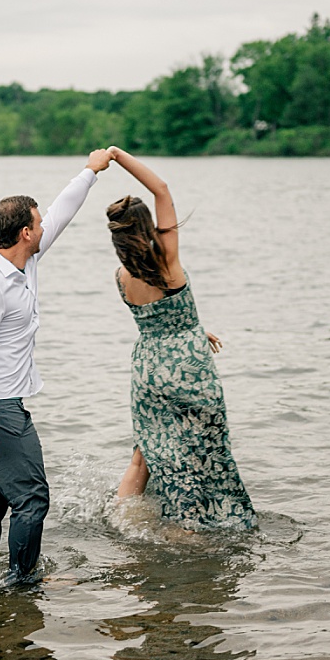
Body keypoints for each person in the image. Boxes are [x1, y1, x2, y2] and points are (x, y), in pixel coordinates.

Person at [0, 149, 114, 583]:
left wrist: (90, 171)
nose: (45, 226)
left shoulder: (25, 264)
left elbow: (62, 211)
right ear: (25, 232)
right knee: (32, 498)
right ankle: (22, 582)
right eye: (38, 222)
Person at [105, 146, 256, 530]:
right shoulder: (166, 259)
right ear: (148, 228)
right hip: (187, 368)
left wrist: (190, 325)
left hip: (148, 367)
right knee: (201, 448)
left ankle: (122, 525)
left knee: (144, 454)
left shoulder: (121, 277)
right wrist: (119, 156)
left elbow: (156, 318)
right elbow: (162, 189)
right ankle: (191, 526)